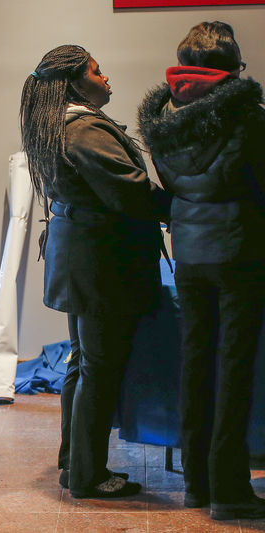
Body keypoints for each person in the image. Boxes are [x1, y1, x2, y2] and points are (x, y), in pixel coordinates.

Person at [20, 45, 170, 498]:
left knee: (83, 364)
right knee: (98, 370)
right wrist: (192, 204)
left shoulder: (58, 123)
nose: (106, 79)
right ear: (74, 81)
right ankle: (87, 475)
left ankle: (74, 466)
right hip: (102, 264)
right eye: (97, 71)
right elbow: (131, 192)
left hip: (84, 261)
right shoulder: (84, 128)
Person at [138, 22, 265, 520]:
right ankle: (232, 490)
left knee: (194, 365)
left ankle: (197, 483)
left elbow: (173, 187)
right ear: (232, 69)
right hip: (241, 252)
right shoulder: (249, 118)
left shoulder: (165, 120)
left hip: (189, 253)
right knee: (233, 371)